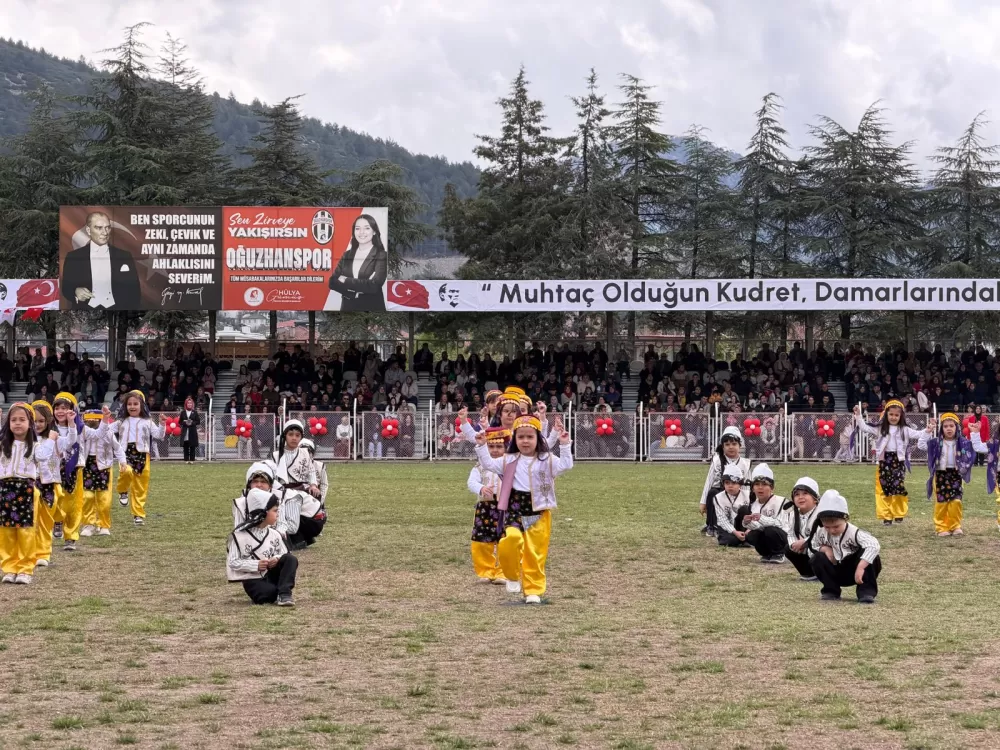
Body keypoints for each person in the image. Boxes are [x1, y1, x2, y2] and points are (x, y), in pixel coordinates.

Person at [473, 415, 572, 604]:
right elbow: (487, 464)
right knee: (510, 539)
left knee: (535, 553)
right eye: (521, 437)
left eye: (529, 437)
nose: (525, 441)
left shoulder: (547, 458)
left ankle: (533, 590)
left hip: (539, 510)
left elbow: (565, 466)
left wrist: (565, 444)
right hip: (515, 508)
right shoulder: (508, 459)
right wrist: (481, 446)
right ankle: (511, 575)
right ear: (515, 439)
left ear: (537, 439)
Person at [853, 400, 921, 526]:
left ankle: (899, 513)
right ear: (886, 415)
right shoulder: (880, 429)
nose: (893, 417)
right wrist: (858, 415)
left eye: (896, 415)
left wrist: (929, 429)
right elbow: (864, 427)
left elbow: (919, 434)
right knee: (884, 488)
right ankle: (887, 516)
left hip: (898, 461)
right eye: (891, 414)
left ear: (901, 416)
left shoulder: (905, 430)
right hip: (884, 461)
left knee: (898, 487)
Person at [226, 489, 297, 607]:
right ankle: (275, 592)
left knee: (291, 559)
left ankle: (284, 594)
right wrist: (256, 565)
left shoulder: (275, 534)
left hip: (272, 573)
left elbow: (285, 554)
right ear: (263, 513)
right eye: (274, 511)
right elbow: (232, 562)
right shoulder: (238, 536)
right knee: (266, 597)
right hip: (252, 578)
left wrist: (277, 558)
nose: (278, 514)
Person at [810, 490, 882, 604]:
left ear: (846, 519)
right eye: (827, 527)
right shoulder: (820, 532)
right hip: (835, 572)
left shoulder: (854, 532)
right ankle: (831, 591)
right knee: (817, 557)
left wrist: (861, 567)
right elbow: (811, 546)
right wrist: (824, 549)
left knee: (872, 556)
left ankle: (866, 592)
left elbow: (874, 545)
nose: (832, 530)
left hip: (857, 573)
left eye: (836, 526)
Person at [0, 403, 45, 584]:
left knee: (25, 531)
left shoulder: (37, 445)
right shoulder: (3, 444)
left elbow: (45, 457)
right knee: (7, 530)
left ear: (30, 423)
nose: (17, 423)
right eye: (13, 420)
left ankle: (25, 568)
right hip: (5, 489)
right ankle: (10, 567)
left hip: (25, 489)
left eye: (22, 420)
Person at [60, 210, 141, 310]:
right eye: (99, 228)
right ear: (88, 230)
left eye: (107, 227)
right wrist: (75, 291)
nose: (105, 232)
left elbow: (135, 291)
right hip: (85, 309)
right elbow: (66, 287)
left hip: (118, 309)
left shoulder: (125, 256)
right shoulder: (73, 257)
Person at [30, 400, 76, 569]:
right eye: (34, 421)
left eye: (41, 421)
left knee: (45, 521)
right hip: (31, 484)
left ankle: (43, 553)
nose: (37, 424)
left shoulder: (56, 438)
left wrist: (71, 423)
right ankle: (30, 552)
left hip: (50, 485)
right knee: (31, 521)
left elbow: (71, 440)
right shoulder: (26, 440)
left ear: (48, 421)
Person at [111, 391, 166, 527]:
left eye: (135, 404)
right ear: (125, 406)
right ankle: (122, 491)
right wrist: (103, 421)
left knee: (140, 487)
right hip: (125, 454)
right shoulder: (121, 421)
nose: (132, 406)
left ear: (142, 405)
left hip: (143, 455)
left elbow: (159, 435)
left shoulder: (148, 421)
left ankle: (138, 515)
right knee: (126, 472)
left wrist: (162, 424)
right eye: (129, 404)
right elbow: (106, 430)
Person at [919, 413, 974, 537]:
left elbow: (973, 450)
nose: (949, 429)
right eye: (945, 426)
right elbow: (921, 445)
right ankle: (941, 527)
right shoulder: (935, 443)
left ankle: (955, 526)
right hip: (940, 475)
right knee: (942, 502)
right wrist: (927, 432)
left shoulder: (963, 443)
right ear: (941, 429)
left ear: (956, 428)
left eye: (951, 426)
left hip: (955, 475)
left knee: (956, 501)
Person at [467, 427, 509, 584]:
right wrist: (480, 488)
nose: (495, 450)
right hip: (485, 507)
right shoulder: (479, 467)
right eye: (491, 447)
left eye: (499, 447)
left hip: (506, 506)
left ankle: (504, 572)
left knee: (506, 540)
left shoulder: (509, 466)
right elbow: (471, 482)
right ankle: (485, 571)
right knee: (482, 540)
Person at [325, 213, 388, 312]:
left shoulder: (381, 255)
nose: (361, 232)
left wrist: (346, 280)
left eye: (367, 228)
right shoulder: (346, 255)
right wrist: (354, 293)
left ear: (374, 231)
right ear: (354, 232)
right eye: (357, 228)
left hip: (372, 308)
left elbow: (374, 285)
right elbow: (332, 282)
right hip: (347, 307)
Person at [271, 420, 318, 550]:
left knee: (292, 525)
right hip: (281, 492)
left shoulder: (304, 453)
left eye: (297, 435)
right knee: (282, 521)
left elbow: (311, 471)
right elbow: (272, 475)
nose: (294, 438)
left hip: (299, 492)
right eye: (291, 434)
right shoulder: (276, 455)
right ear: (285, 436)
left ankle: (296, 538)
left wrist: (313, 485)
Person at [79, 409, 126, 538]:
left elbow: (118, 448)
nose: (90, 422)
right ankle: (88, 524)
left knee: (104, 499)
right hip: (87, 466)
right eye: (88, 420)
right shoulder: (83, 433)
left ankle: (104, 524)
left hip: (104, 467)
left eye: (94, 420)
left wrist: (122, 461)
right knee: (87, 497)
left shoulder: (108, 433)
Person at [699, 426, 751, 537]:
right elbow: (709, 481)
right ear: (722, 447)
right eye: (727, 444)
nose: (731, 447)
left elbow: (747, 487)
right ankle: (712, 526)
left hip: (738, 496)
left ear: (740, 445)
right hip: (721, 494)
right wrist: (703, 502)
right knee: (713, 492)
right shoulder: (717, 461)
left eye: (734, 444)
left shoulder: (745, 464)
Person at [741, 463, 788, 563]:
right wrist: (747, 523)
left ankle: (779, 553)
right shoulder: (753, 505)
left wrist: (761, 518)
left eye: (764, 484)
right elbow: (758, 527)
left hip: (785, 536)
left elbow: (782, 524)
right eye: (757, 484)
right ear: (753, 488)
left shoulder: (782, 502)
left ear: (772, 487)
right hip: (768, 534)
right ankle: (766, 553)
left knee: (770, 530)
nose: (760, 488)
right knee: (751, 535)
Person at [288, 438, 326, 548]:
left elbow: (324, 485)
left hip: (313, 501)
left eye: (308, 451)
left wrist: (320, 502)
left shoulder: (319, 466)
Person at [782, 477, 820, 581]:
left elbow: (824, 535)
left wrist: (805, 542)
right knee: (788, 549)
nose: (800, 497)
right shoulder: (794, 514)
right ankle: (809, 573)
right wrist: (794, 544)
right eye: (797, 494)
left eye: (805, 493)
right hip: (806, 549)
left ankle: (824, 573)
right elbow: (791, 533)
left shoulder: (821, 514)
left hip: (822, 549)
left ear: (815, 497)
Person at [712, 463, 752, 547]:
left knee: (744, 509)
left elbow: (753, 514)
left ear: (740, 484)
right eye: (727, 483)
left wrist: (748, 529)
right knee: (730, 541)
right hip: (726, 527)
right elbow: (722, 519)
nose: (730, 486)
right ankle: (741, 539)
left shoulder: (747, 495)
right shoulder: (718, 498)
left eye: (734, 483)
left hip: (743, 526)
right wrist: (734, 532)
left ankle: (745, 537)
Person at [234, 462, 277, 528]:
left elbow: (281, 525)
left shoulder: (277, 500)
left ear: (270, 486)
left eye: (263, 482)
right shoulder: (240, 504)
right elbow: (238, 527)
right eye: (255, 481)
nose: (259, 485)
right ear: (249, 485)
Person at [180, 397, 200, 464]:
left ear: (192, 404)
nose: (189, 404)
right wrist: (185, 422)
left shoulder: (195, 412)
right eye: (188, 403)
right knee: (186, 446)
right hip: (185, 431)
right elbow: (180, 422)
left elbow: (198, 421)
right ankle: (186, 459)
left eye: (190, 403)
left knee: (192, 446)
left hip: (192, 431)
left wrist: (192, 423)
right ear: (186, 404)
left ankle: (192, 460)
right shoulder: (183, 412)